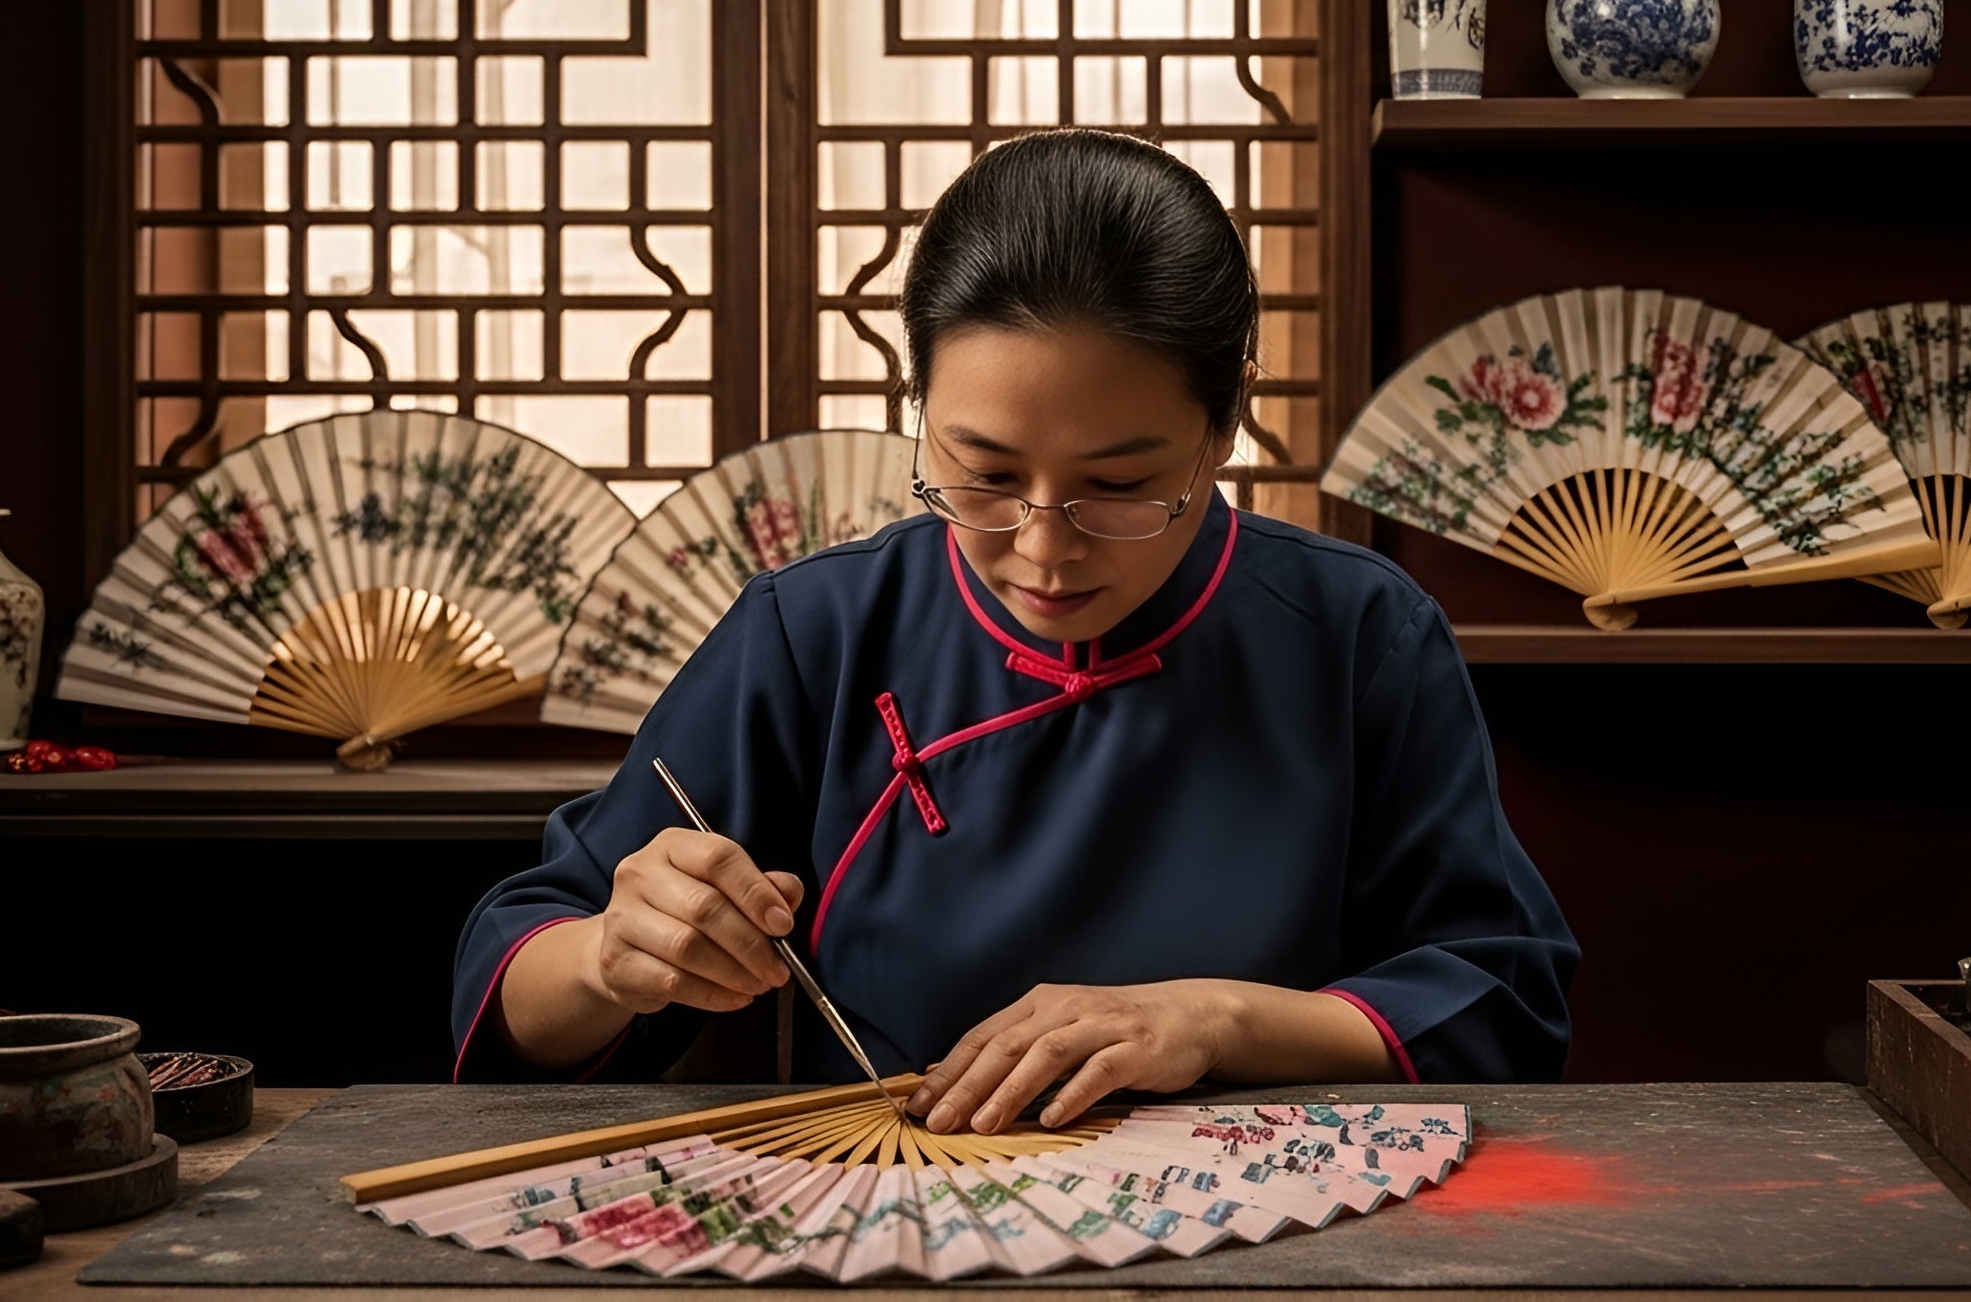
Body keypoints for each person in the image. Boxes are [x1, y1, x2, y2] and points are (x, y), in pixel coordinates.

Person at [453, 129, 1576, 1133]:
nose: (1042, 548)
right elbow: (523, 978)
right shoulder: (819, 630)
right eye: (981, 475)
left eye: (1118, 487)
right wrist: (611, 957)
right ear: (918, 410)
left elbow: (1499, 997)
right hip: (897, 1224)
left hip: (1276, 1242)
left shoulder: (1358, 634)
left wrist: (1218, 1022)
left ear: (1224, 423)